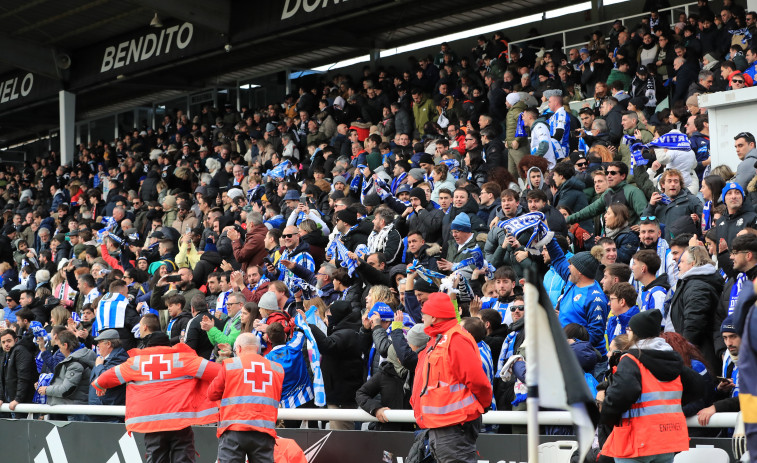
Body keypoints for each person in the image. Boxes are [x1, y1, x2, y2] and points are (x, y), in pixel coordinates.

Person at [92, 332, 222, 463]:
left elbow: (107, 377)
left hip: (152, 425)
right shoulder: (183, 359)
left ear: (148, 346)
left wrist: (100, 385)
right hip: (179, 422)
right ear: (169, 345)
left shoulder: (135, 363)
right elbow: (220, 372)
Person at [600, 309, 701, 462]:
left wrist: (606, 417)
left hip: (636, 440)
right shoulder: (672, 358)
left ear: (635, 333)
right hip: (666, 440)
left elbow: (621, 395)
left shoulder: (631, 359)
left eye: (629, 329)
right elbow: (698, 387)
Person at [411, 292, 492, 463]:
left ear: (434, 316)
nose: (421, 315)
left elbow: (478, 380)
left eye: (424, 312)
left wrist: (483, 405)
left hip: (454, 426)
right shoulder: (439, 339)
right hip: (443, 425)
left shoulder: (455, 338)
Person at [207, 333, 284, 463]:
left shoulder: (230, 365)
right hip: (264, 430)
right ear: (257, 348)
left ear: (239, 348)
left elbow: (212, 393)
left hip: (234, 429)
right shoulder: (277, 369)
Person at [696, 316, 741, 426]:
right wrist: (720, 390)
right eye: (725, 338)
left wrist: (716, 407)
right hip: (733, 425)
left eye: (733, 336)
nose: (728, 343)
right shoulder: (728, 357)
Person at [88, 329, 129, 422]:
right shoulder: (104, 358)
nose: (97, 345)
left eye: (100, 342)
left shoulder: (120, 358)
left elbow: (106, 378)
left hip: (110, 415)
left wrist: (99, 366)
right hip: (100, 412)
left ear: (108, 344)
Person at [0, 328, 36, 414]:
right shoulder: (6, 354)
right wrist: (1, 398)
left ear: (16, 340)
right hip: (9, 400)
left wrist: (17, 399)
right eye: (3, 342)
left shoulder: (20, 351)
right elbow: (2, 379)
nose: (6, 344)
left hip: (20, 403)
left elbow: (23, 377)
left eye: (9, 341)